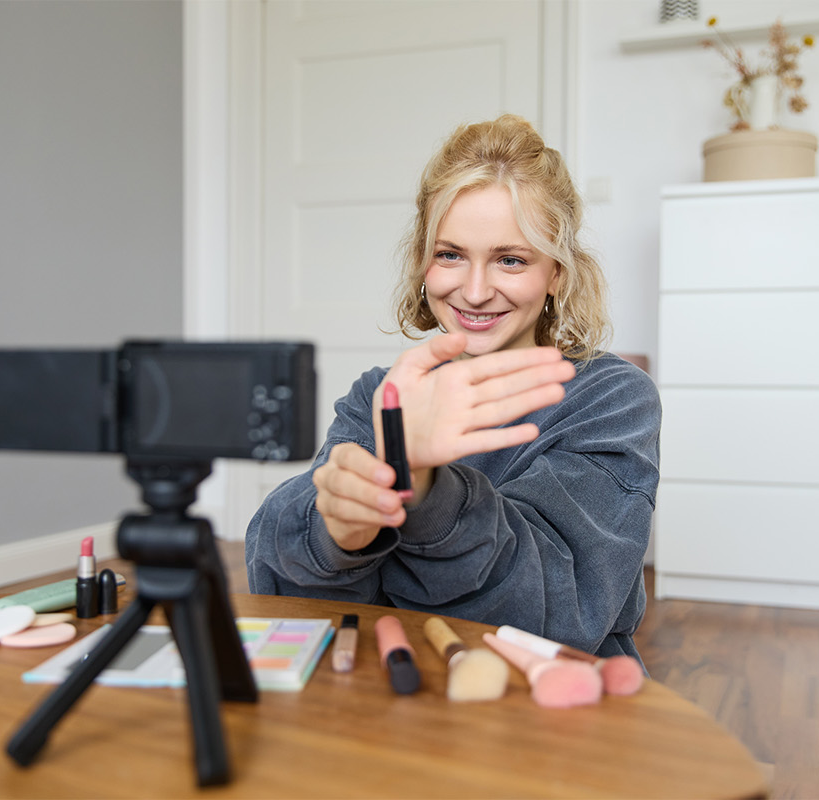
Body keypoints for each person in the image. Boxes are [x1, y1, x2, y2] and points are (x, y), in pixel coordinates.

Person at [245, 115, 661, 659]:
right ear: (423, 260)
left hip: (554, 704)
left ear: (557, 273)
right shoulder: (382, 395)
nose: (475, 289)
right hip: (400, 692)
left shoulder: (612, 400)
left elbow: (561, 614)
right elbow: (291, 597)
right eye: (450, 255)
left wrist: (422, 484)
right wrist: (339, 533)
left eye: (510, 259)